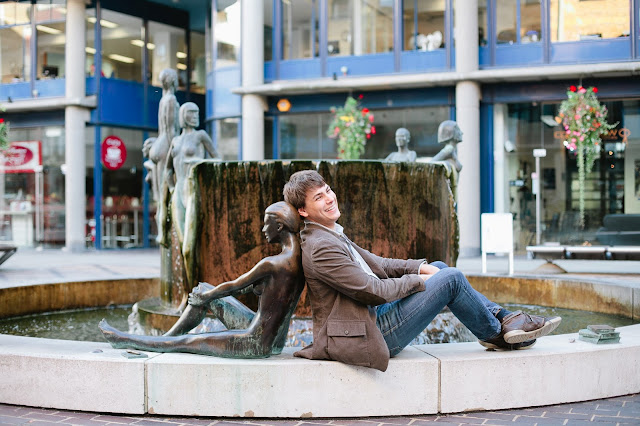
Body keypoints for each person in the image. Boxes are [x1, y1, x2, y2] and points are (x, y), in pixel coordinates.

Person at [283, 170, 561, 372]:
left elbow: (380, 265)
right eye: (319, 197)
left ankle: (504, 319)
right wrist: (417, 279)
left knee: (439, 268)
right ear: (303, 211)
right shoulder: (321, 246)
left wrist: (420, 267)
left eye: (328, 190)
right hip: (369, 333)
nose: (329, 198)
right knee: (450, 278)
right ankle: (498, 335)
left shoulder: (329, 234)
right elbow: (372, 290)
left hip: (371, 319)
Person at [99, 201, 305, 358]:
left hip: (256, 342)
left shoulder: (272, 263)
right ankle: (164, 340)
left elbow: (234, 286)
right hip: (275, 340)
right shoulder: (299, 259)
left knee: (187, 340)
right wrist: (207, 293)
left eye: (266, 224)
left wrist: (205, 297)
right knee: (204, 289)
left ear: (279, 226)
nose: (263, 230)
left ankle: (129, 339)